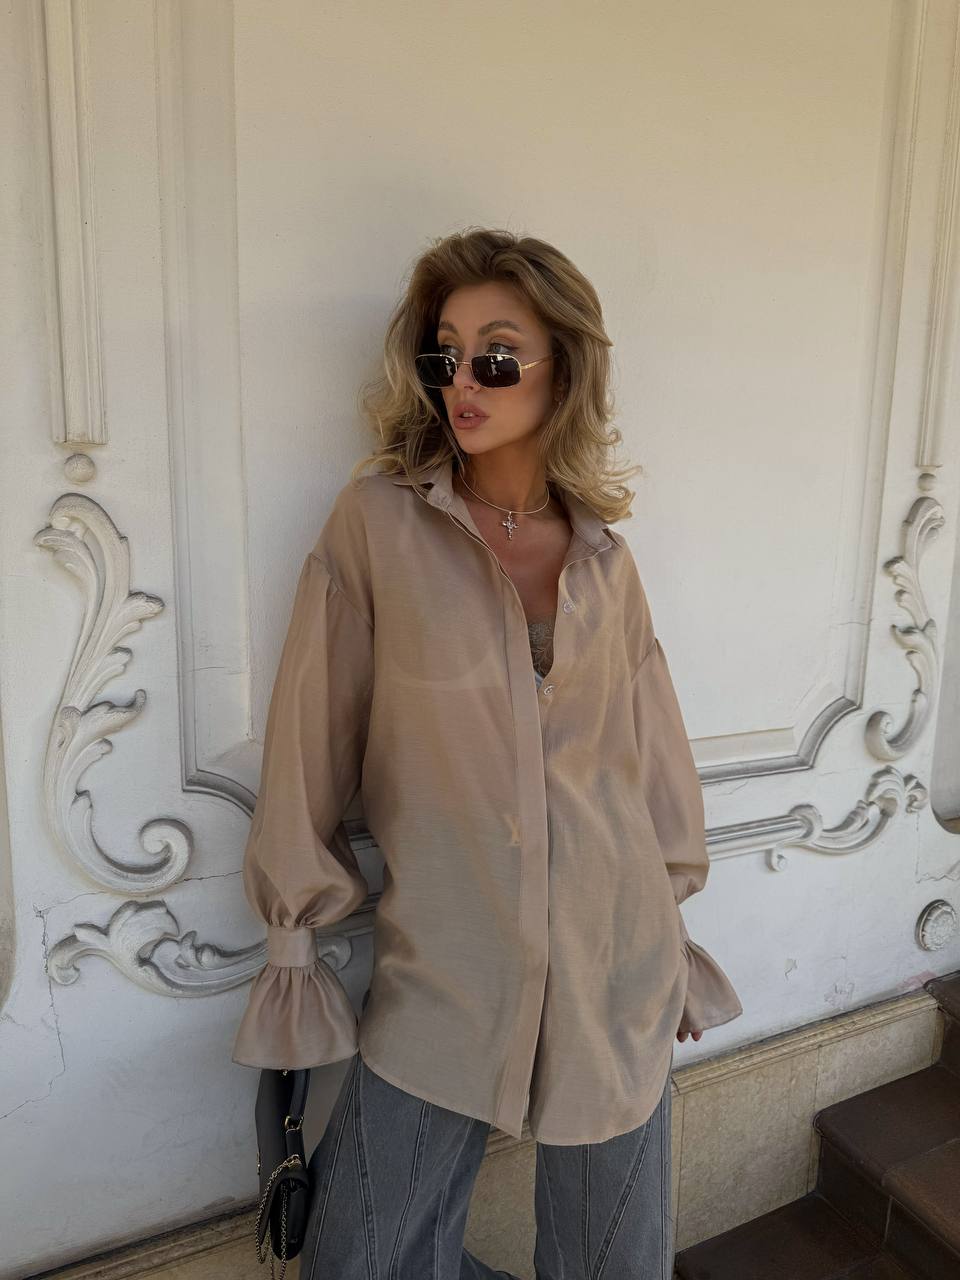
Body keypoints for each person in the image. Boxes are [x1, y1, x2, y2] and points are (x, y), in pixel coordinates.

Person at [232, 227, 743, 1278]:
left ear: (564, 366)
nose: (462, 380)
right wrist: (293, 937)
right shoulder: (377, 527)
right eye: (443, 354)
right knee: (359, 1257)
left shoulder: (607, 558)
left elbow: (647, 761)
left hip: (617, 962)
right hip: (445, 970)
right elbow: (308, 738)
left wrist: (673, 932)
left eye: (496, 354)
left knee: (613, 1262)